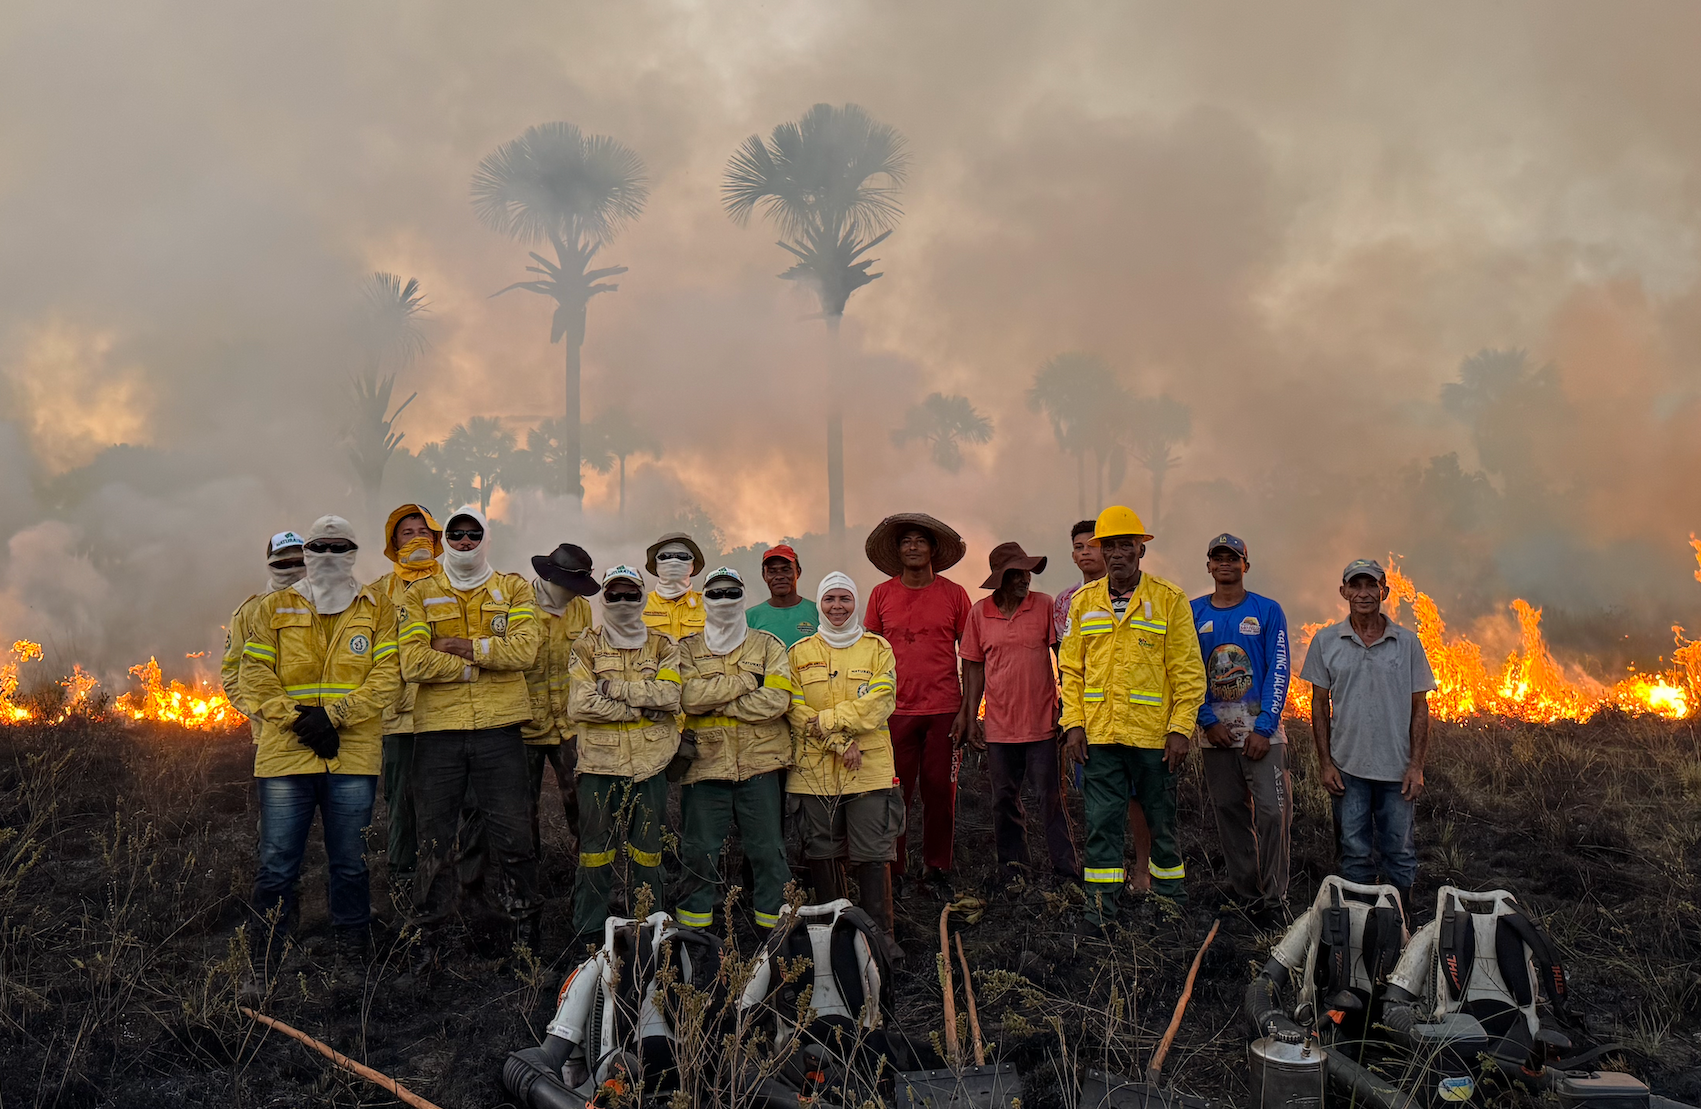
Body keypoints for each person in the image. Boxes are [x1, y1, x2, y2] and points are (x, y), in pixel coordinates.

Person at [237, 516, 400, 977]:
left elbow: (388, 676)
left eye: (339, 546)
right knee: (276, 863)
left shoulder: (378, 608)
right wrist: (299, 721)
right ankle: (265, 958)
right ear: (307, 551)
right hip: (286, 754)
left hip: (352, 756)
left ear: (353, 551)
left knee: (350, 862)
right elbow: (254, 675)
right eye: (320, 545)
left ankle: (351, 951)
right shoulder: (276, 608)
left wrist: (335, 716)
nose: (328, 554)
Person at [397, 504, 543, 964]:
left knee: (514, 836)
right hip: (437, 733)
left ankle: (528, 939)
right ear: (447, 540)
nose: (463, 542)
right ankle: (429, 944)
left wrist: (461, 646)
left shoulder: (514, 588)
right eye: (456, 534)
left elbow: (525, 651)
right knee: (435, 842)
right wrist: (480, 664)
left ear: (484, 538)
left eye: (472, 534)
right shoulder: (418, 592)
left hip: (499, 732)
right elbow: (413, 661)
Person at [1059, 506, 1206, 930]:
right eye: (1110, 546)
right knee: (1101, 824)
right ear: (1101, 552)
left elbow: (1188, 672)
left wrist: (1180, 730)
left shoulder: (1168, 599)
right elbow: (1071, 670)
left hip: (1154, 738)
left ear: (1141, 550)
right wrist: (1073, 725)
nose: (1118, 553)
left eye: (1127, 545)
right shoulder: (1083, 603)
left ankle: (1170, 904)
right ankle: (1099, 909)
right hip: (1100, 737)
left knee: (1161, 822)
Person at [1299, 559, 1436, 922]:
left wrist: (1416, 766)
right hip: (1348, 770)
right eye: (1355, 586)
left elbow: (1420, 708)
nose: (1363, 593)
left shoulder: (1406, 643)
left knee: (1400, 852)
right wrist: (1326, 764)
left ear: (1384, 592)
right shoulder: (1327, 641)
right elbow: (1318, 706)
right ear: (1344, 592)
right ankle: (1359, 925)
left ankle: (1401, 922)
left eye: (1371, 586)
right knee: (1354, 852)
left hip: (1397, 771)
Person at [787, 572, 904, 961]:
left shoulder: (877, 648)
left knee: (873, 852)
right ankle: (834, 941)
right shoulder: (800, 652)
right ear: (819, 604)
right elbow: (793, 707)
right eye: (830, 599)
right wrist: (838, 740)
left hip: (867, 769)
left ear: (857, 604)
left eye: (845, 599)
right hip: (814, 773)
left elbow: (881, 702)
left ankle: (880, 942)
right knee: (823, 852)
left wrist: (829, 720)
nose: (837, 607)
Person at [673, 568, 796, 932]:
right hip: (704, 767)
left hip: (760, 766)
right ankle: (696, 941)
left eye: (731, 593)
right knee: (699, 854)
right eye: (716, 594)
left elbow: (776, 701)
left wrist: (717, 701)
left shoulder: (768, 645)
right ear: (705, 599)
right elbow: (687, 698)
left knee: (768, 854)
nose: (724, 600)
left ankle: (774, 938)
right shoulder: (686, 648)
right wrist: (745, 683)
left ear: (742, 597)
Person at [566, 565, 682, 945]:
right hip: (599, 765)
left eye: (630, 594)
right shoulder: (586, 645)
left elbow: (670, 696)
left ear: (642, 597)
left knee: (649, 854)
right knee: (595, 854)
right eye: (613, 594)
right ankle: (589, 936)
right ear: (603, 598)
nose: (621, 601)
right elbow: (580, 704)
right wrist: (637, 708)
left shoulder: (663, 645)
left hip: (650, 766)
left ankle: (650, 932)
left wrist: (611, 688)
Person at [862, 513, 971, 896]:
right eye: (905, 541)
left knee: (941, 790)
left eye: (920, 541)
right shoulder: (881, 594)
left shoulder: (954, 594)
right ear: (897, 551)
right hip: (894, 710)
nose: (912, 546)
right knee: (896, 792)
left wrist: (968, 711)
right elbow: (869, 655)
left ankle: (937, 867)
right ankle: (898, 869)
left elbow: (970, 654)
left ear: (933, 550)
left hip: (944, 709)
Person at [960, 542, 1077, 887]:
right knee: (1003, 801)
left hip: (1041, 723)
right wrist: (970, 718)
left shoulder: (1043, 606)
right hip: (998, 727)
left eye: (1027, 572)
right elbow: (973, 668)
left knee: (1051, 800)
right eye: (1017, 573)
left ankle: (1066, 872)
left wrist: (1067, 707)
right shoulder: (980, 613)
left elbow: (1063, 657)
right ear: (1000, 579)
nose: (1025, 579)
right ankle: (1013, 871)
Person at [1191, 533, 1293, 927]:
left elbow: (1279, 669)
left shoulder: (1267, 611)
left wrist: (1265, 728)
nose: (1225, 564)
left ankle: (1275, 897)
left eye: (1233, 558)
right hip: (1215, 736)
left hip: (1262, 734)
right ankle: (1247, 895)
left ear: (1245, 565)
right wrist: (1207, 720)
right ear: (1209, 565)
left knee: (1273, 812)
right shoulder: (1194, 612)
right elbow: (1185, 670)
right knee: (1230, 813)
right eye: (1218, 558)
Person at [1054, 519, 1153, 893]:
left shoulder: (1150, 597)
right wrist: (1072, 720)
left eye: (1092, 546)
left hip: (1138, 721)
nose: (1086, 553)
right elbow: (1069, 664)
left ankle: (1142, 871)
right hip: (1092, 722)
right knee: (1099, 805)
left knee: (1138, 800)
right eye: (1078, 546)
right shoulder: (1069, 602)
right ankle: (1105, 880)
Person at [367, 504, 442, 893]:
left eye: (423, 532)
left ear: (436, 539)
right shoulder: (378, 593)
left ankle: (450, 875)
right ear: (393, 543)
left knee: (455, 799)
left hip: (448, 710)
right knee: (402, 799)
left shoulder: (455, 583)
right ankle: (403, 877)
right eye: (407, 533)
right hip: (398, 716)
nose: (417, 539)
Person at [523, 543, 599, 854]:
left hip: (569, 723)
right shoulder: (518, 607)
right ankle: (526, 877)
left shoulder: (581, 608)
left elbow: (587, 661)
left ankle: (588, 868)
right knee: (522, 806)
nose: (573, 593)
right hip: (524, 725)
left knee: (581, 798)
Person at [222, 531, 307, 730]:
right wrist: (266, 715)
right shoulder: (248, 613)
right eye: (283, 564)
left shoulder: (331, 607)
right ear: (271, 565)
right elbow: (232, 675)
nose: (292, 569)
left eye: (299, 562)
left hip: (326, 733)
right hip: (273, 735)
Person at [744, 544, 819, 647]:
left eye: (786, 570)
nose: (779, 576)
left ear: (798, 572)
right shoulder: (750, 617)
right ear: (764, 576)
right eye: (772, 572)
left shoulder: (819, 612)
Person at [642, 532, 706, 641]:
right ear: (656, 564)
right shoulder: (639, 605)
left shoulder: (709, 604)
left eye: (683, 556)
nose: (674, 561)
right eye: (665, 556)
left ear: (692, 565)